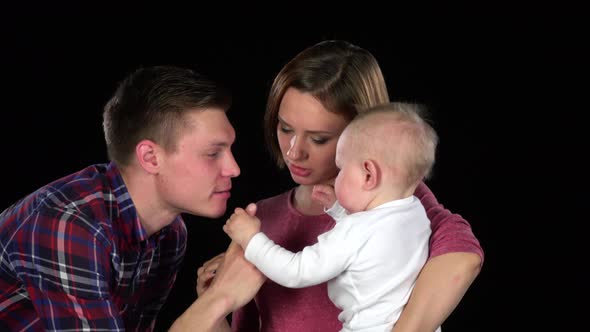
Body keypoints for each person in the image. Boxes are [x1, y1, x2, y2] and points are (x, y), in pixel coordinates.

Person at [197, 40, 484, 332]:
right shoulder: (263, 218)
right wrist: (214, 308)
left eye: (319, 138)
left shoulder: (400, 201)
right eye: (285, 128)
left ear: (363, 131)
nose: (294, 152)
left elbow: (464, 259)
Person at [0, 65, 264, 332]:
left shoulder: (170, 234)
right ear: (150, 157)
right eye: (212, 153)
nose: (234, 168)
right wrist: (219, 299)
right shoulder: (70, 224)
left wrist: (212, 305)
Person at [224, 103, 440, 331]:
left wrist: (251, 239)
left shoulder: (354, 232)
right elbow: (375, 247)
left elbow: (296, 271)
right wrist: (339, 209)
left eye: (342, 169)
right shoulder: (416, 213)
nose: (336, 178)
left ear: (368, 175)